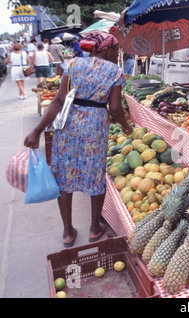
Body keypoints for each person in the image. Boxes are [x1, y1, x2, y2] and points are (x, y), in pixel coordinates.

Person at [23, 31, 133, 248]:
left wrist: (37, 131)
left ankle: (68, 232)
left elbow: (60, 100)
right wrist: (125, 125)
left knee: (64, 178)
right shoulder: (114, 71)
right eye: (115, 49)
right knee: (95, 175)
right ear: (105, 49)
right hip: (95, 128)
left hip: (68, 127)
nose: (117, 53)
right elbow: (115, 108)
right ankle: (94, 228)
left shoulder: (72, 65)